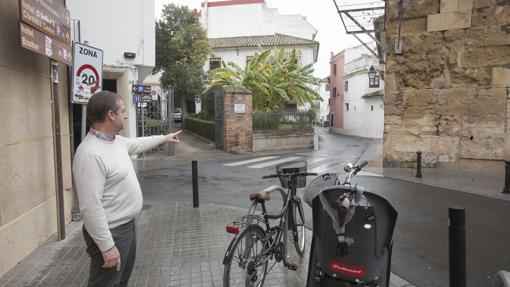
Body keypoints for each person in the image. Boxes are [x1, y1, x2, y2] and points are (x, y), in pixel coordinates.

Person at [73, 91, 181, 287]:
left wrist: (164, 138)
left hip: (126, 227)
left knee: (121, 280)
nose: (125, 115)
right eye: (122, 111)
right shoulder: (90, 154)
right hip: (112, 232)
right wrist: (107, 247)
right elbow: (90, 208)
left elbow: (137, 144)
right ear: (110, 115)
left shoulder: (116, 141)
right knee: (105, 283)